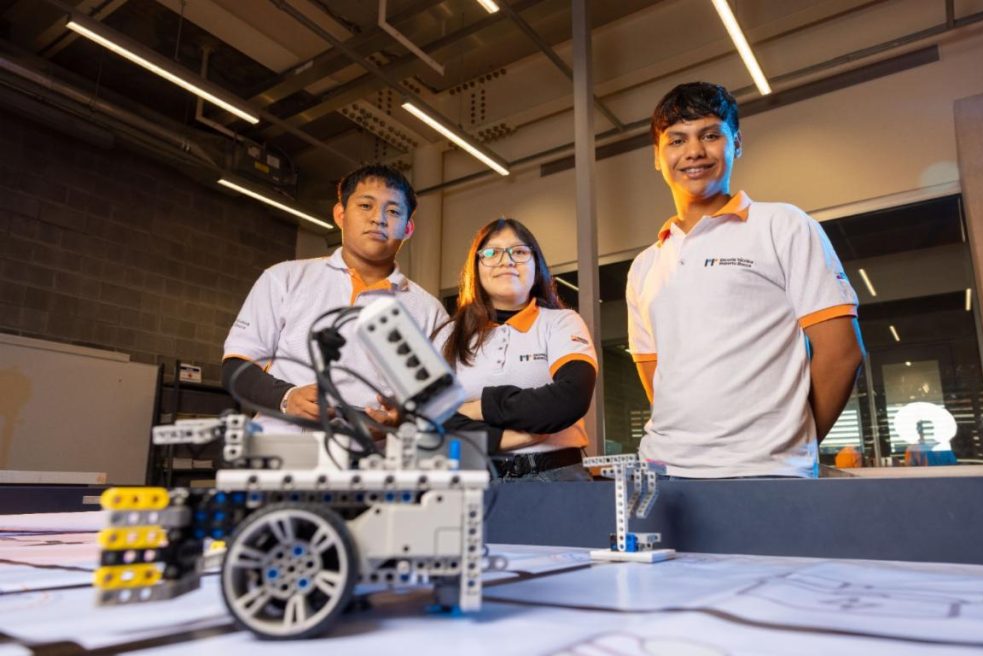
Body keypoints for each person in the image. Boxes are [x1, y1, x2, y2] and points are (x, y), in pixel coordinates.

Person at [626, 82, 865, 478]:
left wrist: (791, 447)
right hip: (664, 471)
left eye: (710, 135)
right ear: (657, 156)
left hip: (764, 473)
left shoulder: (784, 225)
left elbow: (842, 354)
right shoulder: (644, 265)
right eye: (677, 140)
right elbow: (657, 379)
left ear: (736, 143)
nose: (693, 151)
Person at [222, 164, 448, 431]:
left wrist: (402, 420)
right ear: (340, 214)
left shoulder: (428, 311)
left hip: (369, 452)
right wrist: (287, 397)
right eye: (366, 206)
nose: (378, 218)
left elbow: (437, 402)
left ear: (408, 228)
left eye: (393, 211)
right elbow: (237, 368)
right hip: (281, 446)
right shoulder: (285, 278)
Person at [434, 218, 598, 481]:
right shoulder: (449, 335)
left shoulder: (562, 322)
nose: (506, 261)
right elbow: (430, 420)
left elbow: (571, 398)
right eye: (491, 253)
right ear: (476, 267)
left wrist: (479, 408)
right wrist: (507, 438)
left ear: (536, 265)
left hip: (556, 478)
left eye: (519, 252)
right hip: (473, 481)